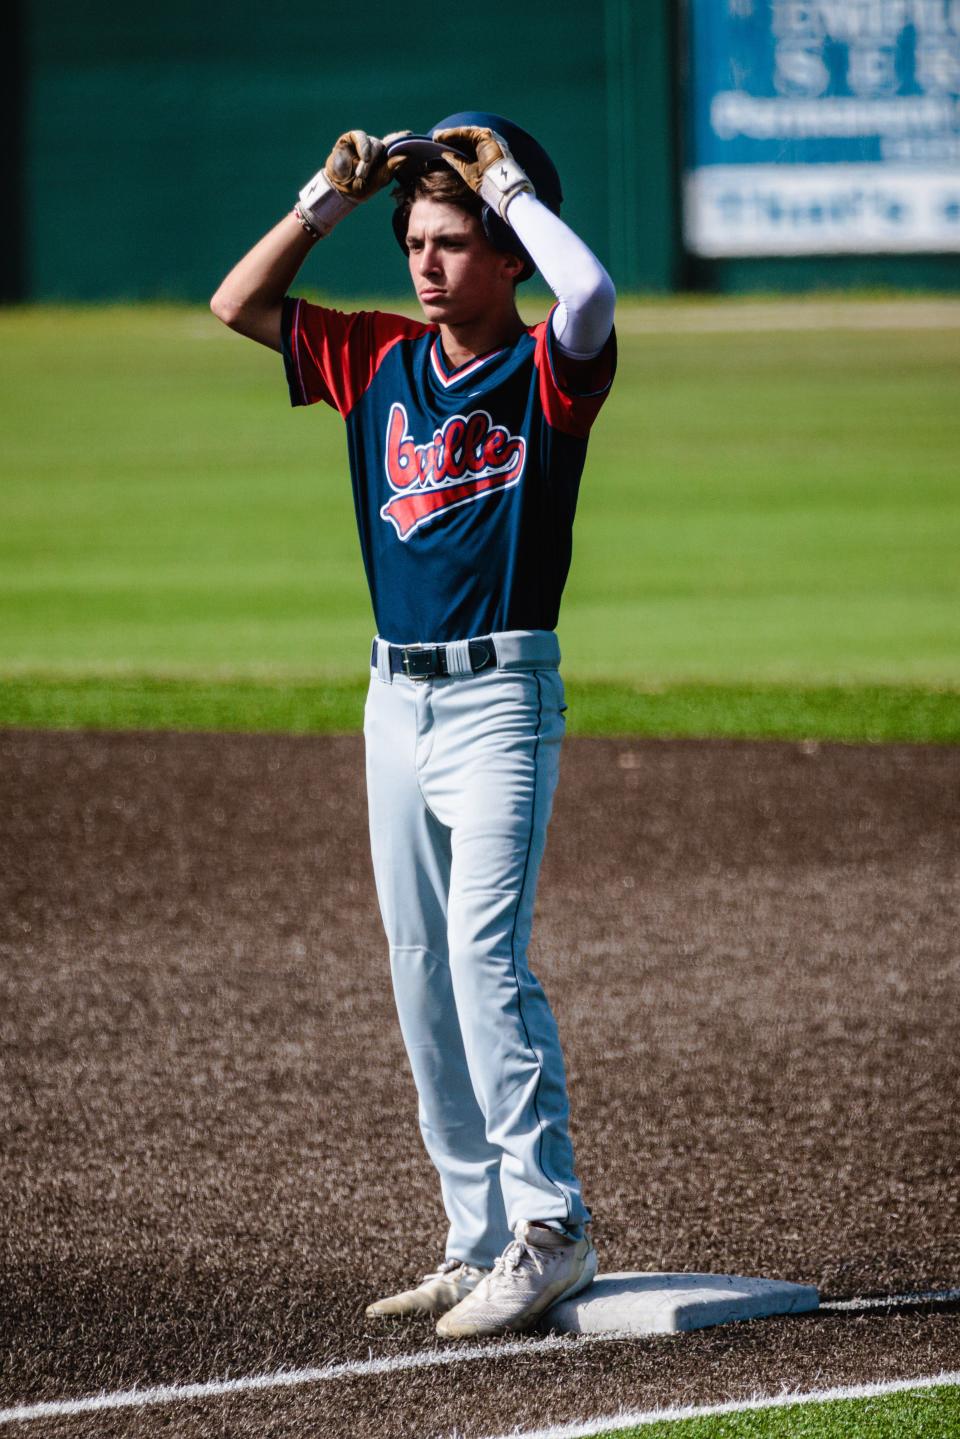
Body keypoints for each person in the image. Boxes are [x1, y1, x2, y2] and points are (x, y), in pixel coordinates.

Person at [211, 111, 616, 1339]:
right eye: (418, 241)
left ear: (508, 256)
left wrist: (507, 183)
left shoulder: (551, 364)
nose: (430, 263)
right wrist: (325, 196)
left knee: (488, 958)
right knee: (420, 969)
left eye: (456, 241)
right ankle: (476, 1235)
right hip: (393, 695)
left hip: (500, 698)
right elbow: (237, 303)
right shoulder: (378, 357)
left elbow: (592, 284)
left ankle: (554, 1227)